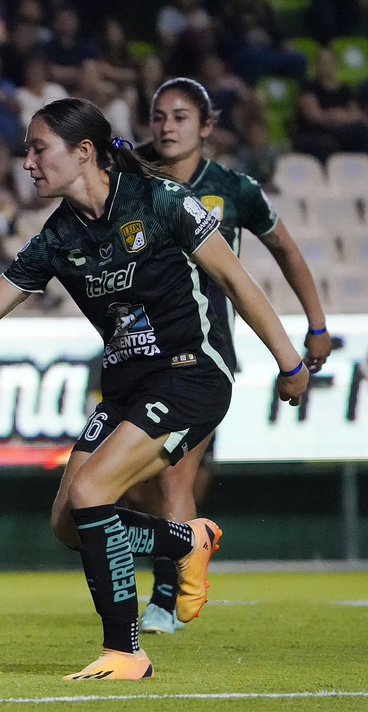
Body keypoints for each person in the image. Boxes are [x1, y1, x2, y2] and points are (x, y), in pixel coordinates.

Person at [0, 97, 309, 680]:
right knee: (68, 522)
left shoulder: (162, 203)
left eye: (39, 149)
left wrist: (290, 362)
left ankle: (126, 652)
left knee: (92, 491)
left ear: (83, 152)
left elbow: (236, 279)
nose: (28, 163)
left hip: (190, 374)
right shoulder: (58, 236)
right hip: (123, 389)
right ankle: (184, 542)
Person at [128, 78, 330, 635]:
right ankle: (189, 546)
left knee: (173, 476)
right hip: (135, 350)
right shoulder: (131, 180)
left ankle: (164, 602)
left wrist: (315, 325)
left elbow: (285, 249)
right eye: (159, 116)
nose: (167, 126)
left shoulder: (235, 189)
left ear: (207, 126)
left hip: (204, 353)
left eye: (180, 117)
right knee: (127, 485)